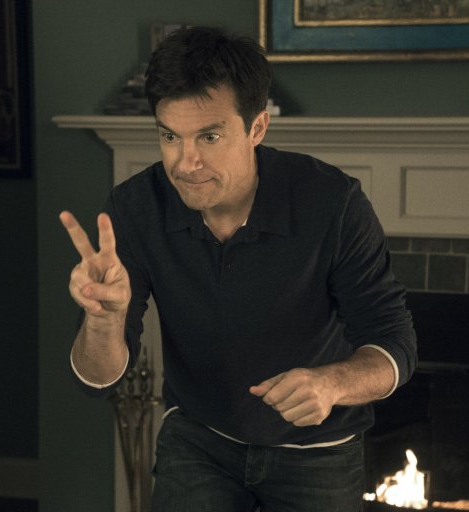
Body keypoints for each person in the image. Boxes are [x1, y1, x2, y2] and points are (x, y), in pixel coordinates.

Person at [60, 26, 417, 512]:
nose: (186, 163)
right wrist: (103, 320)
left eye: (209, 136)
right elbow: (95, 379)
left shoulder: (333, 203)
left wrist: (332, 383)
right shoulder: (135, 208)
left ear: (257, 128)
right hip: (199, 439)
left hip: (318, 449)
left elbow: (395, 343)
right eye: (170, 136)